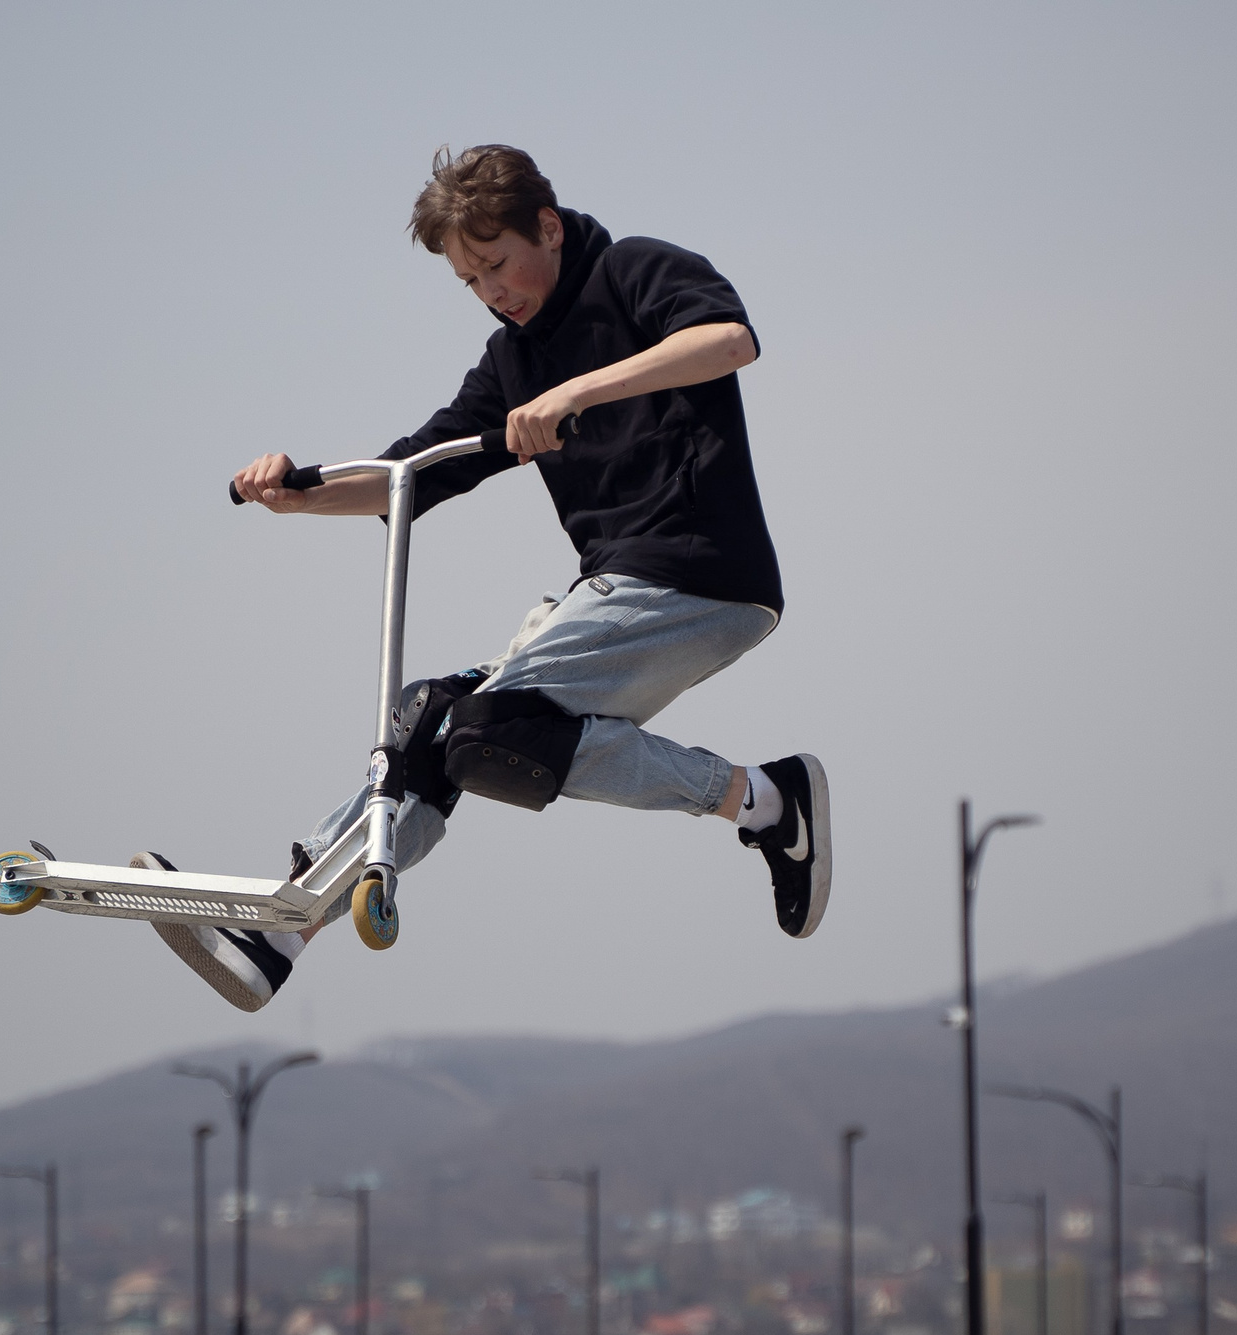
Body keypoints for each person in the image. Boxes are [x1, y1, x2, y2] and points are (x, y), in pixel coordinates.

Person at [148, 143, 825, 1017]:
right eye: (470, 281)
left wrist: (579, 392)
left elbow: (729, 340)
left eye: (498, 264)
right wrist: (296, 493)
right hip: (614, 591)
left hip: (702, 570)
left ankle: (769, 799)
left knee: (485, 726)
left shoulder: (631, 272)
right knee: (450, 730)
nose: (493, 291)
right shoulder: (510, 364)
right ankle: (281, 932)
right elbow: (410, 473)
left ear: (547, 226)